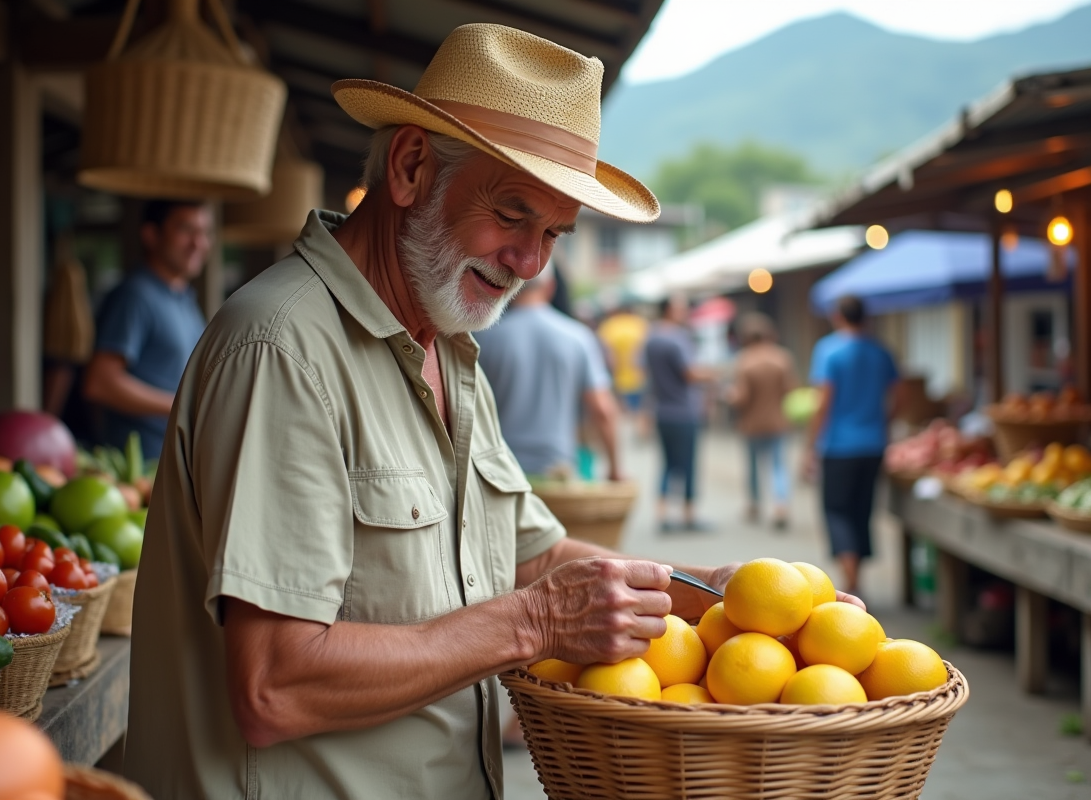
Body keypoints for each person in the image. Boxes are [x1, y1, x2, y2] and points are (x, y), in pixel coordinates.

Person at [120, 26, 860, 800]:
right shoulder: (283, 350)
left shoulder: (446, 347)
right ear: (410, 167)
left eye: (552, 234)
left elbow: (528, 556)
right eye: (512, 215)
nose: (531, 261)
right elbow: (273, 685)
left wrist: (712, 589)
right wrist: (532, 626)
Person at [82, 200, 211, 458]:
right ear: (151, 235)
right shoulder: (135, 296)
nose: (198, 243)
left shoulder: (185, 299)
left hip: (179, 459)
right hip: (138, 464)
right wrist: (183, 405)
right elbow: (100, 382)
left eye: (205, 232)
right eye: (186, 230)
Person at [474, 264, 622, 481]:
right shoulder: (578, 337)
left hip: (498, 472)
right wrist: (615, 468)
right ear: (550, 287)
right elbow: (602, 410)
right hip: (557, 471)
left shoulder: (482, 338)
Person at [803, 295, 900, 595]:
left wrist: (810, 446)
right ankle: (856, 577)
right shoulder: (881, 351)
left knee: (836, 510)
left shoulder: (829, 350)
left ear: (838, 316)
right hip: (873, 444)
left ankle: (851, 580)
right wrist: (883, 421)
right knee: (863, 509)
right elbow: (901, 393)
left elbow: (823, 402)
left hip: (838, 446)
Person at [644, 295, 714, 531]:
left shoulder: (651, 338)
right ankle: (688, 515)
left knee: (667, 463)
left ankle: (662, 514)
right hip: (684, 411)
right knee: (688, 464)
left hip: (662, 410)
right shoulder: (677, 338)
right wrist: (714, 374)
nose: (684, 312)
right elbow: (690, 373)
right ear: (669, 310)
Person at [729, 313, 797, 528]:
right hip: (777, 421)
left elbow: (742, 396)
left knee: (753, 466)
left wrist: (730, 396)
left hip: (752, 424)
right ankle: (780, 505)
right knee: (778, 465)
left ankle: (755, 504)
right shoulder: (782, 358)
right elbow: (790, 388)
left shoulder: (744, 360)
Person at [598, 305, 649, 415]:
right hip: (640, 376)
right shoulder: (640, 323)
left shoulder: (609, 325)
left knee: (624, 412)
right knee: (640, 411)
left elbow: (608, 356)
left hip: (618, 378)